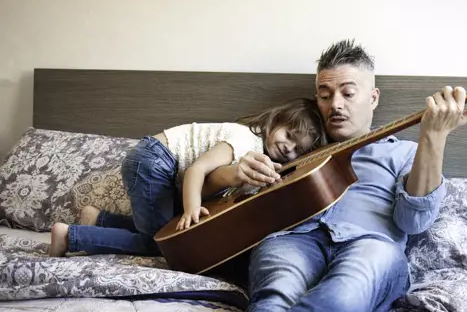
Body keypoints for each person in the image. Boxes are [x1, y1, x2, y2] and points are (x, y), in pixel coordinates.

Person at [203, 39, 467, 312]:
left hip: (371, 245)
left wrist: (433, 138)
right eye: (324, 94)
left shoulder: (403, 151)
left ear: (372, 98)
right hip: (296, 237)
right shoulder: (297, 150)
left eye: (347, 93)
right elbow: (208, 195)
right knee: (277, 288)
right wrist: (235, 173)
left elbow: (413, 221)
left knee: (353, 283)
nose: (335, 103)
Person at [49, 97, 327, 258]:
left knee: (160, 226)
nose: (288, 147)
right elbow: (196, 170)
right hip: (153, 160)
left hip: (153, 160)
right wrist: (193, 209)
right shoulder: (244, 141)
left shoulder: (257, 157)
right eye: (289, 135)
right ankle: (70, 236)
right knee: (161, 244)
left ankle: (98, 219)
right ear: (275, 121)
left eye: (297, 149)